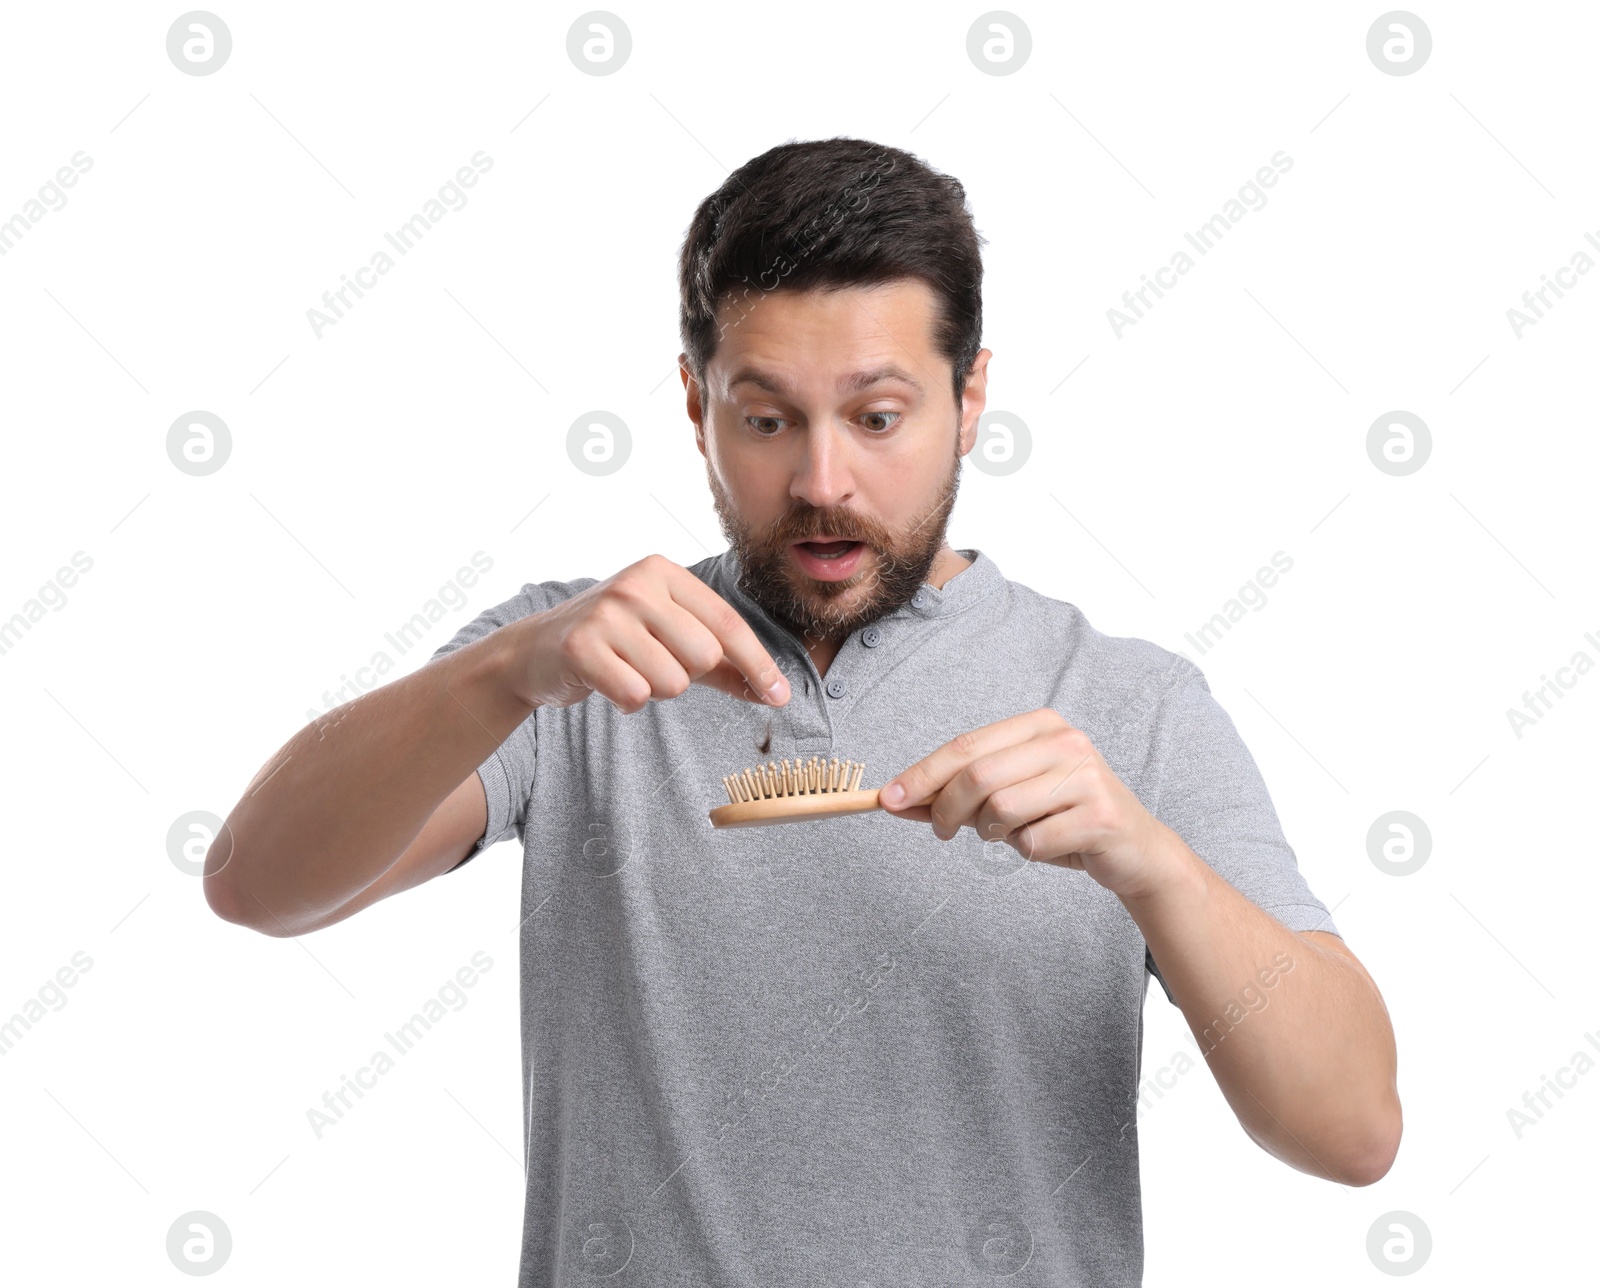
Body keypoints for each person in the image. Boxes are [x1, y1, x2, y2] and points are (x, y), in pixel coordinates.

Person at [205, 136, 1400, 1285]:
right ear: (694, 405)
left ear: (970, 396)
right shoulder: (573, 671)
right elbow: (254, 886)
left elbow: (1351, 1133)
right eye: (766, 419)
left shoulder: (1129, 704)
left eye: (878, 417)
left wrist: (1153, 865)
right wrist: (503, 670)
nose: (822, 481)